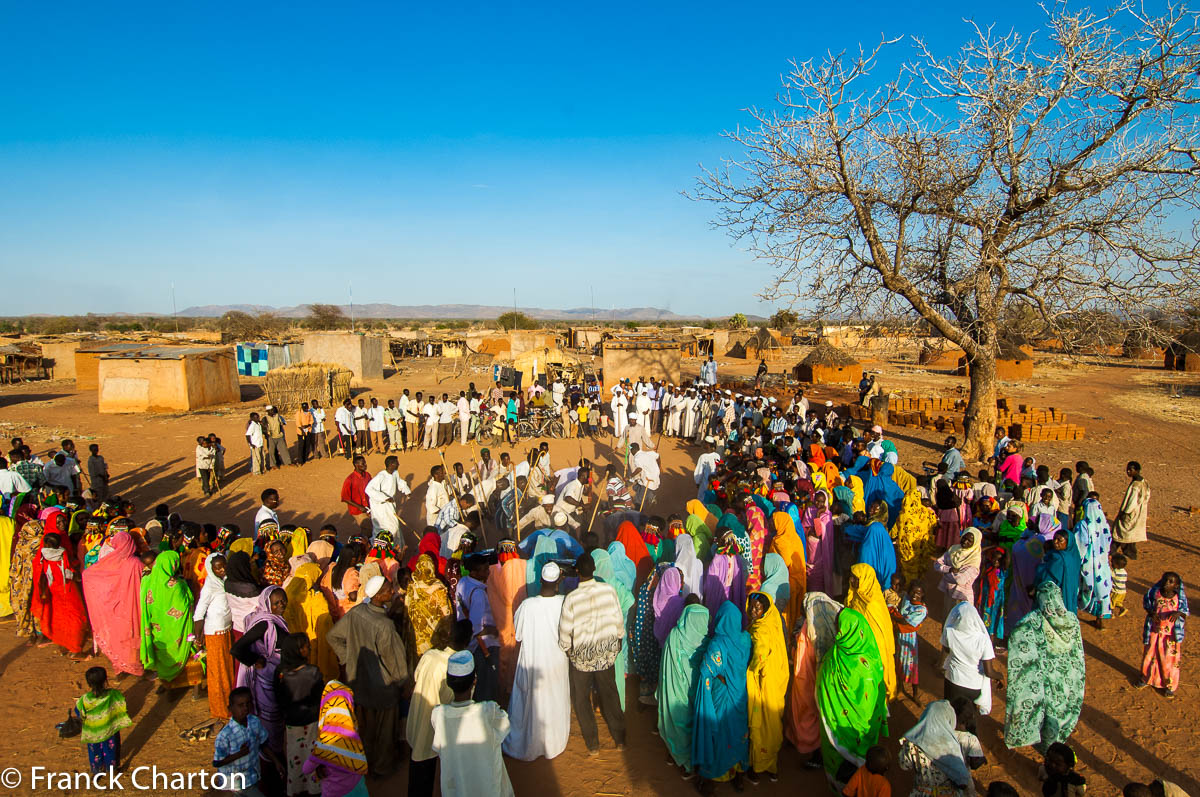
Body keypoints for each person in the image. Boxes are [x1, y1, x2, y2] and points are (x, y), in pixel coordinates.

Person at [326, 575, 411, 776]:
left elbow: (333, 636)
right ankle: (382, 767)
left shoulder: (357, 613)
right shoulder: (385, 626)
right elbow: (396, 664)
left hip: (359, 683)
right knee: (385, 732)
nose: (393, 592)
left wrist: (349, 660)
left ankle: (365, 763)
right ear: (379, 596)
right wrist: (403, 684)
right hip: (383, 688)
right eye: (389, 590)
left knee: (366, 729)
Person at [557, 551, 626, 755]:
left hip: (581, 658)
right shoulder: (608, 590)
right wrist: (618, 639)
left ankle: (593, 744)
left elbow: (565, 631)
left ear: (577, 571)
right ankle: (620, 738)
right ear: (594, 569)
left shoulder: (572, 598)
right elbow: (618, 619)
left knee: (581, 699)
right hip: (606, 653)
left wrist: (567, 649)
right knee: (610, 694)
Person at [1004, 582, 1084, 750]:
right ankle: (1054, 746)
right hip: (1068, 679)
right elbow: (1078, 651)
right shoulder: (1072, 621)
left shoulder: (1034, 622)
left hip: (1047, 679)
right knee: (1061, 712)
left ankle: (1047, 750)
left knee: (1047, 712)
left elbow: (1018, 633)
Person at [504, 561, 570, 761]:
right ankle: (553, 742)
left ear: (540, 579)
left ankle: (528, 743)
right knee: (554, 699)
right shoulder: (565, 602)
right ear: (559, 580)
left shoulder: (527, 605)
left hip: (532, 660)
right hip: (556, 661)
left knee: (530, 702)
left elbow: (519, 635)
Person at [816, 609, 887, 789]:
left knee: (842, 768)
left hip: (837, 724)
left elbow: (823, 684)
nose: (835, 628)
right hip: (865, 727)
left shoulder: (836, 657)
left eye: (838, 625)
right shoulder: (872, 655)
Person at [431, 649, 515, 797]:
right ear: (474, 680)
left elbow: (439, 749)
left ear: (449, 682)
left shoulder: (439, 715)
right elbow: (505, 726)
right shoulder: (489, 711)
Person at [692, 601, 751, 790]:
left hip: (722, 696)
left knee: (720, 733)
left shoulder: (718, 643)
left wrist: (720, 675)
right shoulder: (745, 640)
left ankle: (712, 778)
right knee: (738, 733)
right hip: (740, 696)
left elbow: (705, 669)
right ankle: (738, 775)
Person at [407, 619, 469, 797]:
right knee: (427, 773)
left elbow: (417, 676)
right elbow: (454, 700)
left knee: (417, 771)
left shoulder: (429, 655)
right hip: (432, 729)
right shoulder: (453, 666)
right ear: (465, 642)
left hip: (417, 719)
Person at [656, 597, 709, 775]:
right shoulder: (707, 638)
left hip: (677, 690)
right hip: (699, 689)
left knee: (677, 721)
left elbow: (666, 666)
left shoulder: (675, 637)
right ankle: (693, 760)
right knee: (696, 722)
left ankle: (676, 754)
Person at [81, 530, 145, 676]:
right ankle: (135, 664)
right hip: (134, 606)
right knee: (134, 632)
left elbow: (89, 574)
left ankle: (122, 666)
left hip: (116, 609)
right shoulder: (135, 562)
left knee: (119, 634)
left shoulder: (109, 561)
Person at [139, 550, 201, 693]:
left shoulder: (149, 581)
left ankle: (165, 682)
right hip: (177, 630)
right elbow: (186, 605)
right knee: (186, 652)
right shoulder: (177, 585)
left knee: (164, 655)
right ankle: (179, 685)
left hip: (158, 630)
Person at [746, 592, 789, 783]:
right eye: (752, 606)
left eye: (758, 607)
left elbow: (759, 658)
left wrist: (749, 671)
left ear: (765, 610)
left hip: (764, 682)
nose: (754, 611)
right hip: (777, 681)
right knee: (772, 723)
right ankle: (772, 766)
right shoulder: (774, 623)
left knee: (760, 724)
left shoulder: (760, 631)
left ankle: (757, 767)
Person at [276, 633, 325, 797]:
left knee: (294, 760)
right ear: (296, 650)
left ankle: (295, 789)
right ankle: (314, 790)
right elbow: (320, 698)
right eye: (303, 646)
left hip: (291, 725)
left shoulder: (280, 673)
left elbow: (278, 698)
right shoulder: (313, 672)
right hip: (311, 724)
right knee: (312, 759)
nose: (308, 648)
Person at [302, 680, 369, 797]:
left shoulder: (325, 744)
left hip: (333, 792)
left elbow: (306, 769)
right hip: (358, 788)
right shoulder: (354, 736)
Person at [213, 687, 284, 797]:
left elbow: (263, 744)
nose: (245, 708)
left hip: (252, 777)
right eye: (240, 705)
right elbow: (217, 762)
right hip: (233, 785)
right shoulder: (225, 735)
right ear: (230, 708)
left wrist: (276, 762)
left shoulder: (254, 722)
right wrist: (238, 755)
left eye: (248, 704)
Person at [898, 700, 974, 796]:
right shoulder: (952, 744)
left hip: (922, 793)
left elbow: (904, 765)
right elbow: (962, 781)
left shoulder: (912, 742)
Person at [32, 530, 89, 657]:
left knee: (58, 618)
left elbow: (40, 575)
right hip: (68, 590)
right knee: (77, 617)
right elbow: (70, 573)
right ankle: (75, 649)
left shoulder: (41, 556)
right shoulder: (62, 554)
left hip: (53, 591)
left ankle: (63, 644)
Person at [846, 564, 897, 702]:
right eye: (851, 577)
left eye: (855, 578)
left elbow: (878, 634)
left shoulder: (872, 604)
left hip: (871, 650)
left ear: (865, 580)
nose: (851, 580)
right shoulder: (856, 595)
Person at [193, 553, 235, 719]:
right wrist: (198, 635)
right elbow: (199, 612)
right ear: (211, 569)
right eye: (218, 567)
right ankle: (220, 708)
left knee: (227, 668)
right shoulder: (210, 587)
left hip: (227, 630)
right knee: (217, 671)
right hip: (215, 632)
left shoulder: (226, 581)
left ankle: (229, 703)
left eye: (223, 565)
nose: (222, 569)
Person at [455, 554, 501, 702]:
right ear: (474, 573)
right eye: (484, 570)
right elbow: (475, 627)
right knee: (487, 688)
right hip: (484, 645)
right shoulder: (479, 594)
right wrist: (492, 630)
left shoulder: (463, 583)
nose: (488, 572)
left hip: (469, 644)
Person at [74, 666, 132, 774]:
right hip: (110, 731)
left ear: (89, 683)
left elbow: (78, 712)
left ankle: (97, 770)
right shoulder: (113, 694)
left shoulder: (85, 699)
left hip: (92, 733)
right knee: (111, 750)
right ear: (105, 680)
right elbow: (121, 705)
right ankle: (113, 769)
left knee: (94, 752)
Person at [1139, 571, 1188, 697]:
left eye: (1171, 582)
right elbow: (1147, 605)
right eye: (1165, 580)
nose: (1167, 583)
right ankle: (1147, 678)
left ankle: (1170, 685)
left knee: (1169, 660)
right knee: (1150, 655)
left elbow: (1185, 612)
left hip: (1170, 636)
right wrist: (1151, 613)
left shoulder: (1179, 599)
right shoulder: (1155, 594)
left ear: (1176, 586)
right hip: (1154, 632)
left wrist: (1178, 613)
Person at [1075, 497, 1113, 628]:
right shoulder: (1104, 524)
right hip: (1102, 562)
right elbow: (1108, 542)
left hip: (1088, 562)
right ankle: (1099, 619)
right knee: (1101, 587)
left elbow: (1080, 544)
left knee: (1084, 586)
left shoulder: (1083, 525)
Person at [406, 554, 453, 656]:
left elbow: (407, 612)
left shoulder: (412, 588)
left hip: (417, 640)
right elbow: (447, 615)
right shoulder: (438, 588)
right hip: (435, 638)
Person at [893, 582, 927, 700]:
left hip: (909, 641)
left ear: (922, 594)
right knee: (898, 662)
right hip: (900, 638)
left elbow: (905, 622)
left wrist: (892, 614)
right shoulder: (906, 598)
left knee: (912, 666)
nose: (914, 595)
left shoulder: (921, 610)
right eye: (912, 591)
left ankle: (915, 694)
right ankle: (900, 688)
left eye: (918, 593)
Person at [1036, 529, 1082, 614]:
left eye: (1060, 540)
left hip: (1054, 597)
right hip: (1069, 593)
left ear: (1067, 542)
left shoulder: (1057, 559)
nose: (1055, 542)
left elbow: (1047, 577)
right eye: (1054, 539)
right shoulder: (1074, 556)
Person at [365, 456, 411, 537]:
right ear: (392, 464)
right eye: (397, 462)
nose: (399, 464)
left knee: (394, 526)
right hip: (380, 507)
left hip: (390, 505)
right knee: (382, 528)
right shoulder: (381, 476)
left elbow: (399, 481)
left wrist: (406, 491)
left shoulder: (395, 473)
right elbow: (368, 489)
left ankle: (396, 547)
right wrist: (385, 498)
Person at [1113, 460, 1149, 559]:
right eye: (1127, 469)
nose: (1128, 471)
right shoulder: (1144, 482)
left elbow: (1132, 501)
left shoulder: (1136, 485)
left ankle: (1120, 552)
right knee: (1128, 535)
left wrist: (1125, 512)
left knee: (1121, 533)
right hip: (1138, 512)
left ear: (1137, 470)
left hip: (1131, 513)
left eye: (1131, 470)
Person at [1111, 552, 1129, 617]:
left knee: (1111, 602)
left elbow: (1110, 576)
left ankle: (1111, 614)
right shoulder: (1124, 572)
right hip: (1123, 592)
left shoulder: (1115, 572)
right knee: (1118, 602)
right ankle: (1122, 609)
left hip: (1116, 591)